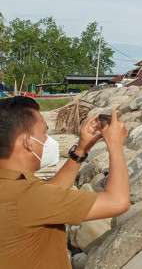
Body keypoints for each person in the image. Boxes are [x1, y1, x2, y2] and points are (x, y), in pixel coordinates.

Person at [0, 96, 129, 268]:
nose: (47, 140)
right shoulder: (28, 196)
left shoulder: (14, 188)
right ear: (28, 142)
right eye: (44, 133)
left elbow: (49, 194)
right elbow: (117, 201)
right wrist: (115, 145)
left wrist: (80, 150)